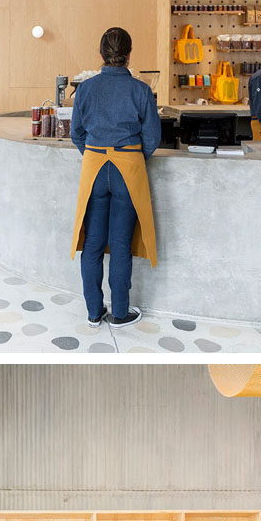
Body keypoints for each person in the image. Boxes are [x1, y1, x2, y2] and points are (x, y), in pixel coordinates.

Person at [70, 26, 160, 329]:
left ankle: (94, 312)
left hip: (94, 168)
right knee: (120, 244)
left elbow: (76, 133)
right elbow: (152, 138)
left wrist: (94, 152)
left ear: (100, 54)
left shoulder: (84, 89)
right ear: (129, 55)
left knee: (93, 244)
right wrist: (133, 158)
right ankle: (120, 312)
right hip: (128, 169)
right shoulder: (141, 90)